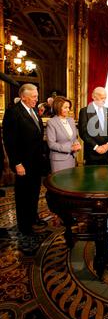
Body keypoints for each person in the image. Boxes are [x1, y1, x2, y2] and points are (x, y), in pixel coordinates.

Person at [2, 83, 45, 235]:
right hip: (23, 163)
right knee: (23, 195)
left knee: (34, 192)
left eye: (37, 96)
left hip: (36, 162)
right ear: (23, 97)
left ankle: (33, 217)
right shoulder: (13, 113)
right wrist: (17, 163)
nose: (36, 99)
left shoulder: (34, 110)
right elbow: (10, 142)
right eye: (34, 97)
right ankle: (24, 226)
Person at [78, 86, 108, 165]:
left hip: (106, 153)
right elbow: (83, 133)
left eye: (105, 98)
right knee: (90, 177)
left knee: (106, 177)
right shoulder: (84, 111)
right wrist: (96, 147)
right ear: (94, 97)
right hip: (91, 153)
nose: (104, 100)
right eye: (102, 98)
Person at [46, 96, 81, 172]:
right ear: (58, 108)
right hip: (58, 160)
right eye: (65, 107)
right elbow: (51, 144)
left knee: (70, 183)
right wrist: (70, 148)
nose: (68, 110)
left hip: (71, 158)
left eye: (68, 107)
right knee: (59, 183)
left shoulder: (71, 120)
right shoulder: (52, 122)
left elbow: (74, 138)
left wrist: (76, 143)